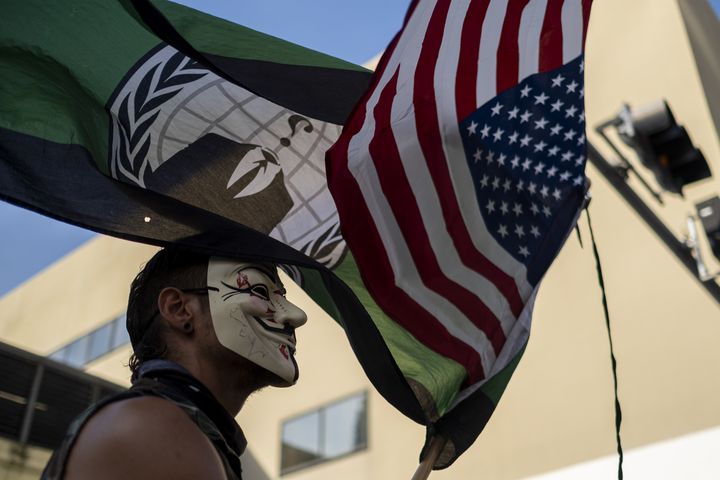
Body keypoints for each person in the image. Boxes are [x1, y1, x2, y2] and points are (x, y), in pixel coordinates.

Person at [42, 247, 308, 480]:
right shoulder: (151, 428)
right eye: (260, 291)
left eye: (282, 297)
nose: (296, 315)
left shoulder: (182, 428)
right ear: (179, 309)